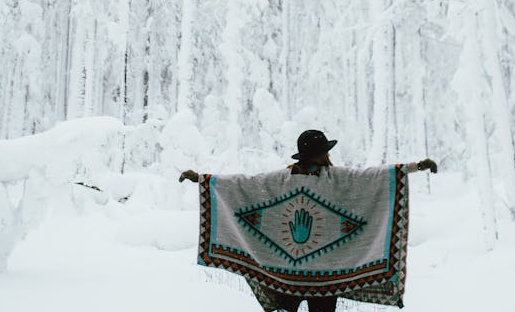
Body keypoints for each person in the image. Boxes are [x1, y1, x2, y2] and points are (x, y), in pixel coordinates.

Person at [180, 129, 437, 312]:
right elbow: (375, 177)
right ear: (323, 154)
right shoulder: (336, 180)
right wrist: (415, 166)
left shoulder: (281, 181)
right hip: (324, 278)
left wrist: (202, 179)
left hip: (284, 275)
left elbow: (241, 186)